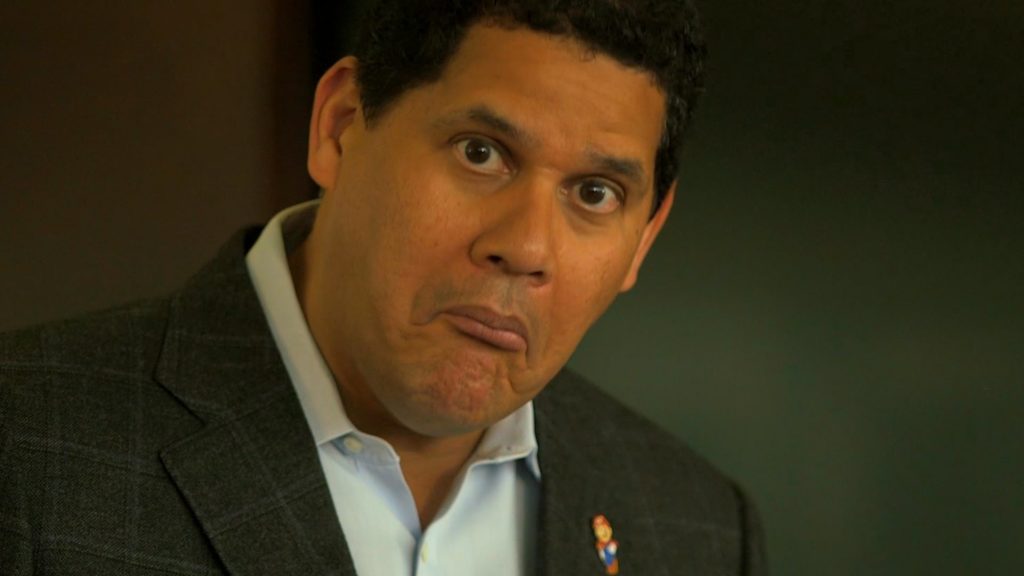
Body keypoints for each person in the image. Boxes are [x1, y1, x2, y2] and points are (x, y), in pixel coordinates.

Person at [0, 0, 766, 574]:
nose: (527, 248)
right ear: (339, 126)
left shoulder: (698, 531)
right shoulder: (26, 448)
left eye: (595, 194)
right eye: (480, 152)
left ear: (646, 237)